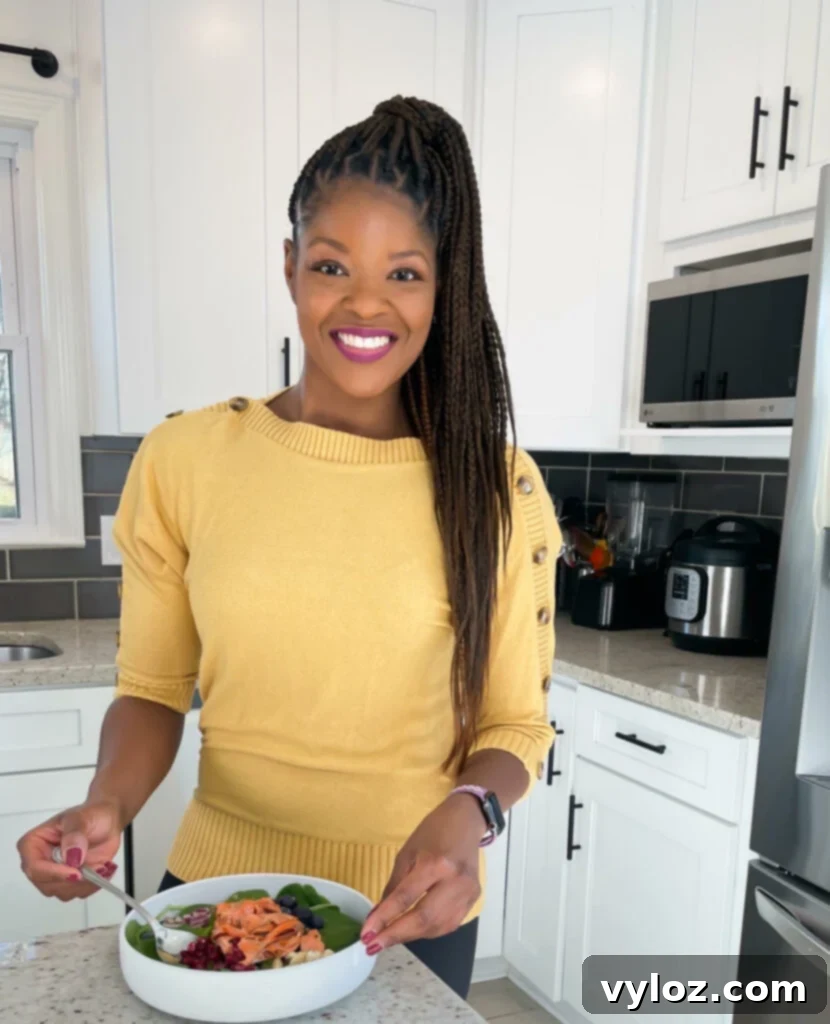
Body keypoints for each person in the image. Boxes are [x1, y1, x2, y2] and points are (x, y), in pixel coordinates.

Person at [17, 96, 558, 1000]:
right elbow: (152, 689)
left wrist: (470, 814)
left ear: (444, 287)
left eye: (406, 274)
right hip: (209, 892)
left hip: (408, 908)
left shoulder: (496, 489)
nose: (364, 305)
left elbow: (512, 728)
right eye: (331, 264)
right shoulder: (184, 460)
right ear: (288, 266)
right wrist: (108, 801)